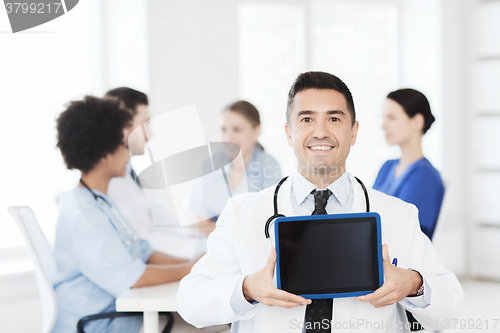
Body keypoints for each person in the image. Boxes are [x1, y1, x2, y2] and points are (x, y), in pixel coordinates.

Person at [177, 72, 463, 333]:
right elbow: (190, 303)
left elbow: (450, 312)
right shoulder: (243, 213)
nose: (321, 131)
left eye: (334, 119)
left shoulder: (398, 215)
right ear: (288, 133)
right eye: (306, 119)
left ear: (353, 132)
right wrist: (247, 289)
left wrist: (413, 284)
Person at [52, 96, 198, 333]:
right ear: (103, 154)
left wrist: (196, 262)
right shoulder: (83, 214)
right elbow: (135, 278)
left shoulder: (100, 201)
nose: (128, 154)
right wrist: (191, 269)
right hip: (98, 324)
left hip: (119, 314)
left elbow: (144, 251)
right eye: (124, 146)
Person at [185, 100, 282, 235]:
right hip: (209, 247)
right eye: (224, 130)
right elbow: (198, 219)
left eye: (237, 130)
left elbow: (269, 221)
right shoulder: (208, 166)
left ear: (256, 131)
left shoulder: (269, 167)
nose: (228, 137)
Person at [373, 89, 444, 240]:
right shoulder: (387, 167)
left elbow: (410, 235)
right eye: (383, 118)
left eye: (391, 118)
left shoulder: (425, 176)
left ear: (417, 121)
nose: (383, 126)